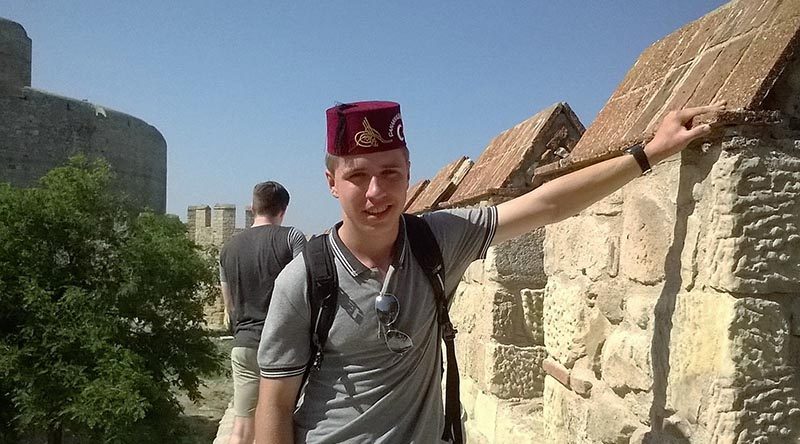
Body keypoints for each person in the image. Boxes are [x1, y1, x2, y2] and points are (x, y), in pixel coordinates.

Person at [254, 99, 726, 443]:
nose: (376, 191)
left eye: (391, 172)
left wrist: (649, 153)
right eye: (357, 175)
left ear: (409, 171)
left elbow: (547, 202)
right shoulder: (304, 281)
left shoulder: (436, 241)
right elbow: (274, 407)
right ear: (331, 182)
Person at [219, 181, 307, 444]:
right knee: (280, 423)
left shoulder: (228, 248)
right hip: (282, 348)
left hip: (243, 345)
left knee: (242, 427)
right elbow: (305, 291)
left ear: (253, 207)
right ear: (284, 209)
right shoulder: (292, 238)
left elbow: (229, 305)